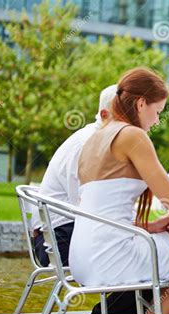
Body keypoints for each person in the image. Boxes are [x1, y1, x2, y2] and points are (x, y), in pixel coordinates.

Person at [70, 67, 169, 314]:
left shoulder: (96, 138)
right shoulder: (132, 135)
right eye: (157, 112)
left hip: (82, 253)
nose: (156, 121)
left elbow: (103, 207)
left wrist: (151, 226)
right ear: (142, 103)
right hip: (109, 254)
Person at [32, 85, 117, 268]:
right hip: (58, 243)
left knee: (158, 257)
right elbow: (87, 208)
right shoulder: (89, 145)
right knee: (158, 260)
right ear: (105, 115)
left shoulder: (102, 141)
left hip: (67, 233)